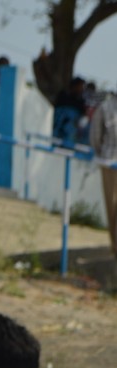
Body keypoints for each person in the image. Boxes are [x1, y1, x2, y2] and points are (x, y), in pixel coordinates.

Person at [90, 89, 117, 256]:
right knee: (112, 206)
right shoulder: (106, 108)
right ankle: (115, 245)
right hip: (110, 164)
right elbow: (96, 138)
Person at [53, 76, 87, 146]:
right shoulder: (63, 97)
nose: (81, 89)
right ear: (74, 86)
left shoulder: (80, 103)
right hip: (57, 134)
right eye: (80, 87)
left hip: (69, 138)